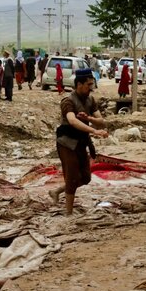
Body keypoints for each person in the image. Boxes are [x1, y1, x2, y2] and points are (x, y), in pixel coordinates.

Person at [52, 68, 107, 216]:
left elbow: (101, 122)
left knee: (85, 178)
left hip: (81, 142)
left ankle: (57, 191)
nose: (91, 88)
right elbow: (72, 120)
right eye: (88, 85)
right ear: (79, 84)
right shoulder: (68, 101)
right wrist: (94, 131)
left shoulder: (90, 100)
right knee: (72, 177)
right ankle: (68, 213)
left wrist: (89, 119)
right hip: (67, 143)